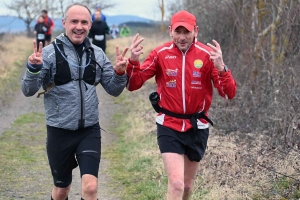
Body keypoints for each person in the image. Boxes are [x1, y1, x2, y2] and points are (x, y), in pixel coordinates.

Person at [22, 3, 128, 200]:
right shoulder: (48, 54)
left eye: (84, 22)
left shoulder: (97, 53)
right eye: (74, 21)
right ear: (64, 23)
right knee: (62, 190)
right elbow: (28, 90)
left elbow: (113, 89)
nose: (79, 26)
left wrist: (120, 73)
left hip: (89, 129)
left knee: (90, 188)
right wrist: (33, 69)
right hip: (59, 131)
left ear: (90, 25)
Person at [126, 10, 236, 200]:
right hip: (169, 124)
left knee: (186, 185)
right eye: (178, 32)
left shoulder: (207, 56)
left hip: (197, 126)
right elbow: (133, 84)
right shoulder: (160, 54)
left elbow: (228, 94)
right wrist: (133, 62)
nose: (182, 37)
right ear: (170, 31)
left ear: (196, 31)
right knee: (176, 184)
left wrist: (222, 68)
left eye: (187, 32)